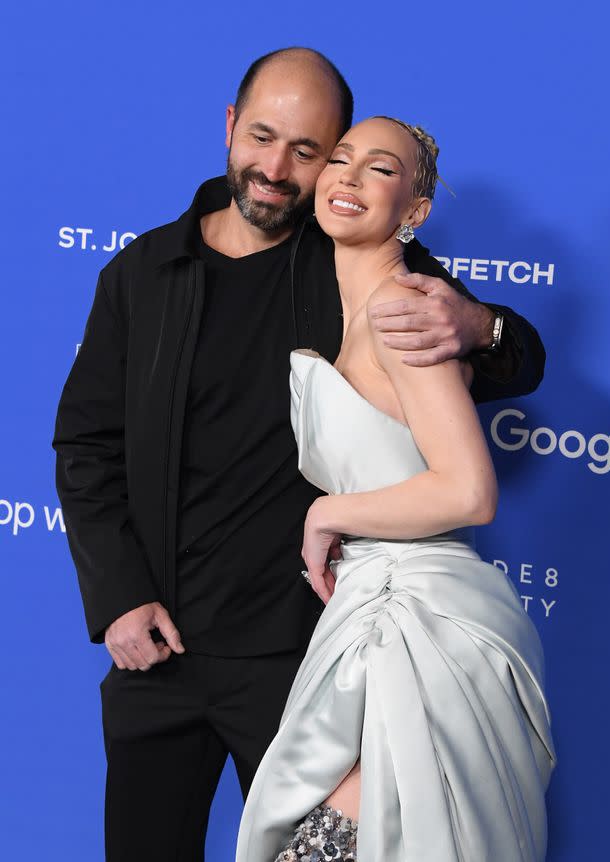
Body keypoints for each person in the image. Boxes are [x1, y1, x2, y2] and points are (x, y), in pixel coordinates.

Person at [52, 48, 547, 861]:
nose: (276, 169)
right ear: (229, 127)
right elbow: (84, 446)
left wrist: (479, 325)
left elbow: (509, 355)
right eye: (261, 137)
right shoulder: (141, 272)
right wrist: (117, 600)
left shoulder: (352, 258)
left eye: (308, 152)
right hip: (159, 650)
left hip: (302, 653)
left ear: (330, 161)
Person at [235, 117, 556, 862]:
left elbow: (470, 491)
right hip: (367, 608)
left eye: (380, 169)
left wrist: (327, 512)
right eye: (340, 159)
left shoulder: (406, 313)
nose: (347, 176)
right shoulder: (349, 311)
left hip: (417, 626)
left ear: (414, 211)